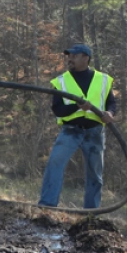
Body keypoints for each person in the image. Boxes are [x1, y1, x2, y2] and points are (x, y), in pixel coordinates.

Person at [38, 44, 115, 209]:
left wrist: (110, 113)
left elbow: (112, 103)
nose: (70, 59)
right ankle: (47, 206)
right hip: (70, 131)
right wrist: (77, 107)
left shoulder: (103, 79)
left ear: (86, 58)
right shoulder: (61, 81)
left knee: (95, 174)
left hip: (95, 132)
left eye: (74, 55)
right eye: (69, 56)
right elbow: (58, 109)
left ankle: (91, 212)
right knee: (54, 164)